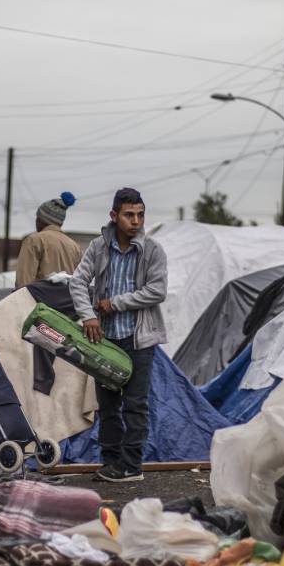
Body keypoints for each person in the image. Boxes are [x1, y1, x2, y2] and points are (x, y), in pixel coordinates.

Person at [69, 187, 168, 482]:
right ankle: (111, 463)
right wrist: (88, 316)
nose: (135, 221)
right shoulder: (98, 247)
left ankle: (131, 466)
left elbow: (157, 291)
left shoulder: (152, 250)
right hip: (106, 339)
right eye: (128, 215)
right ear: (114, 216)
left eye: (139, 215)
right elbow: (78, 282)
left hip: (139, 340)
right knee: (108, 405)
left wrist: (115, 303)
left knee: (136, 404)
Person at [15, 191, 83, 287]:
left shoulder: (34, 240)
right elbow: (79, 283)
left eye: (37, 218)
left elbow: (23, 281)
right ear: (60, 223)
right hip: (67, 301)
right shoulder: (75, 247)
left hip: (39, 301)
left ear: (40, 220)